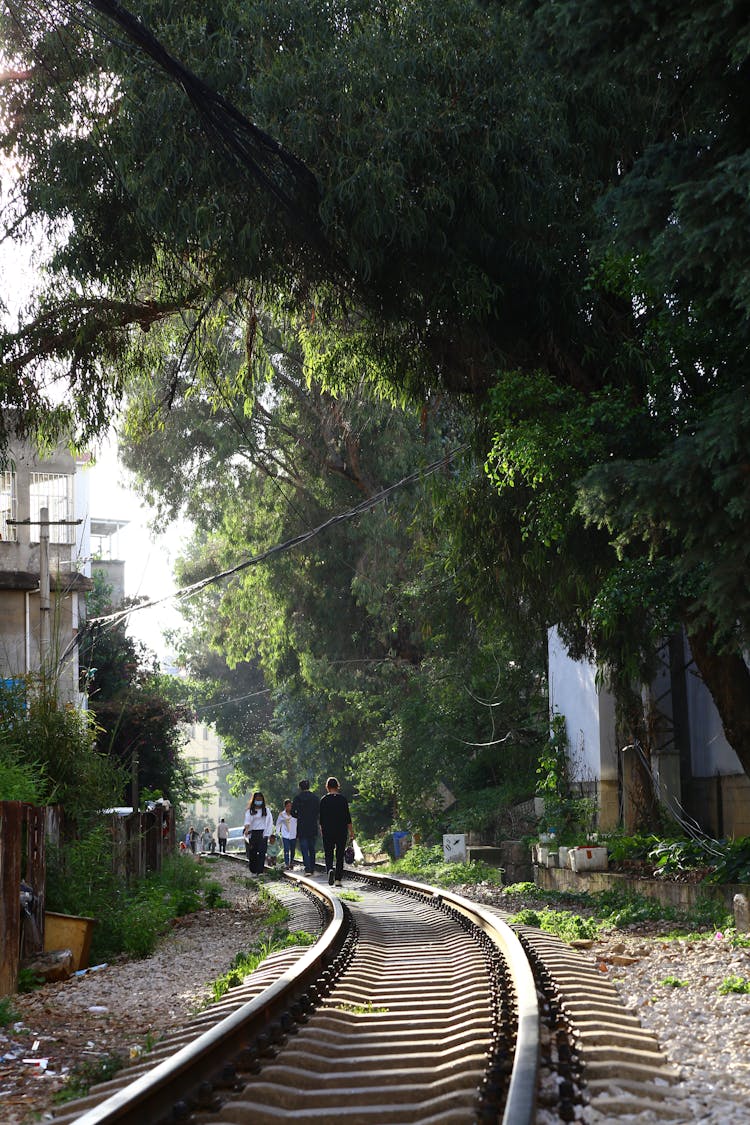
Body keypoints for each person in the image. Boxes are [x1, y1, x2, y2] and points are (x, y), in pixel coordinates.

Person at [318, 776, 354, 887]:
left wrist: (322, 830)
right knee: (339, 855)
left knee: (328, 853)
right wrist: (351, 832)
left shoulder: (324, 800)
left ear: (327, 787)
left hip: (328, 831)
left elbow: (321, 819)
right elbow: (347, 817)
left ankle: (329, 870)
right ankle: (338, 879)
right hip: (341, 831)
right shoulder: (342, 799)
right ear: (337, 786)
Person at [292, 779, 320, 875]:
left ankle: (307, 869)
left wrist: (299, 816)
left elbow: (292, 812)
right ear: (308, 786)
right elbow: (319, 811)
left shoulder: (297, 798)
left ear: (300, 788)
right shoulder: (315, 798)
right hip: (312, 825)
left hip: (302, 826)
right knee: (312, 847)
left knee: (304, 847)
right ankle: (312, 867)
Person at [243, 791, 274, 874]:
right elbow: (247, 821)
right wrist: (246, 829)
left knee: (262, 853)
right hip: (253, 834)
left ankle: (260, 871)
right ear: (254, 800)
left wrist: (268, 834)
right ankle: (253, 869)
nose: (259, 801)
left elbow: (269, 822)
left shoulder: (266, 811)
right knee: (253, 853)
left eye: (260, 799)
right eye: (257, 799)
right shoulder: (250, 811)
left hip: (263, 833)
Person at [275, 799, 298, 870]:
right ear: (285, 806)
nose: (289, 808)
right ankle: (287, 863)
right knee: (286, 849)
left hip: (293, 834)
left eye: (290, 806)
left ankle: (291, 862)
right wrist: (277, 833)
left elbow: (298, 823)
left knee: (293, 849)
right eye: (287, 806)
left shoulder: (295, 814)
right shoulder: (282, 814)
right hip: (285, 834)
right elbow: (278, 824)